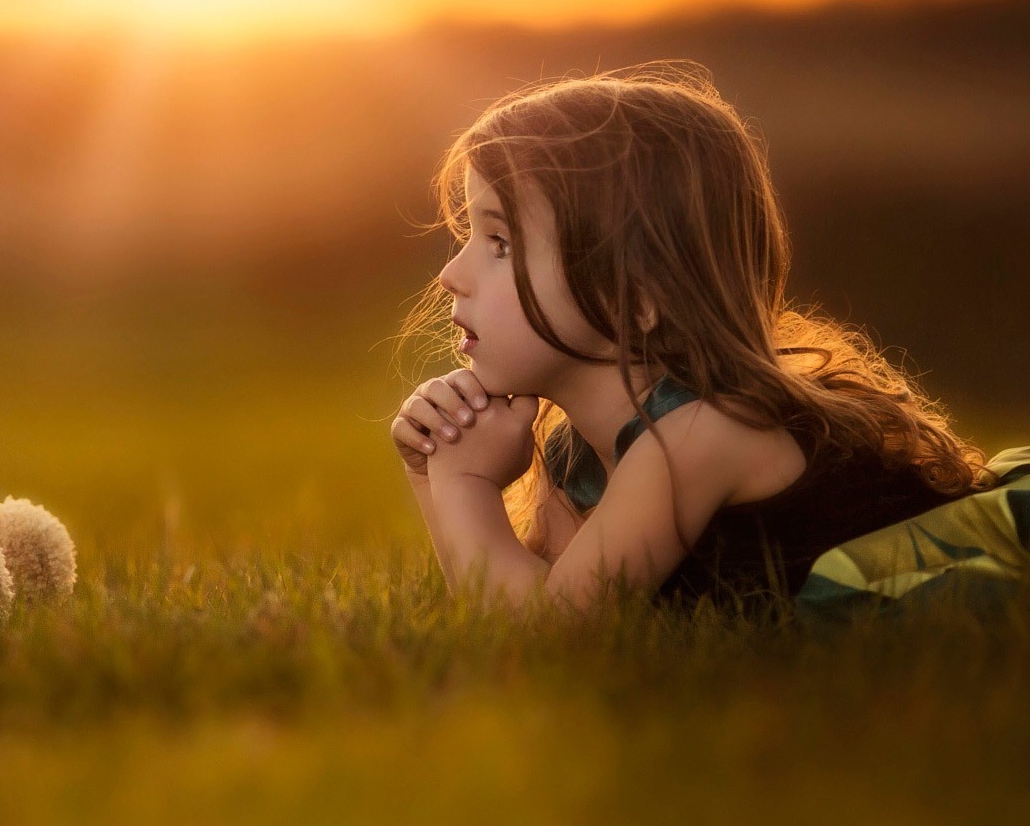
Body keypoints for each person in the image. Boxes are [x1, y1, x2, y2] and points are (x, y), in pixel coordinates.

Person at [390, 63, 988, 615]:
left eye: (500, 244)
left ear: (638, 298)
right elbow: (507, 592)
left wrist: (463, 484)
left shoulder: (699, 435)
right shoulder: (577, 447)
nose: (451, 274)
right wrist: (434, 466)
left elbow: (548, 631)